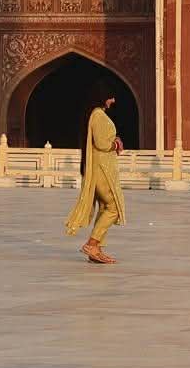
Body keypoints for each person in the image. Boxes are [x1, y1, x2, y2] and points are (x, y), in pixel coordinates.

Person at [64, 80, 126, 264]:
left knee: (106, 207)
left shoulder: (95, 115)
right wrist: (115, 143)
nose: (113, 100)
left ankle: (96, 249)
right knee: (114, 207)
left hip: (101, 168)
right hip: (102, 170)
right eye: (110, 96)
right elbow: (101, 143)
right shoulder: (98, 115)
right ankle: (92, 244)